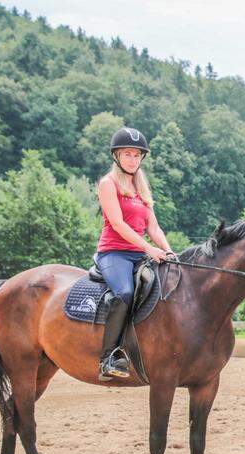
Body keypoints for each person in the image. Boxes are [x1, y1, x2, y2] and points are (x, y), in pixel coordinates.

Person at [94, 127, 174, 380]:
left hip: (140, 254)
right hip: (114, 254)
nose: (133, 159)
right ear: (117, 156)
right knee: (124, 293)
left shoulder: (141, 187)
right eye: (127, 154)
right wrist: (149, 249)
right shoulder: (108, 184)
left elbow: (154, 227)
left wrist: (168, 250)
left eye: (137, 155)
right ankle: (108, 357)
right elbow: (118, 224)